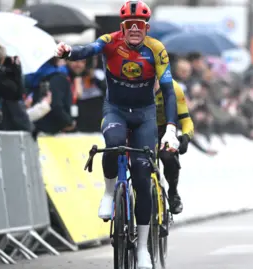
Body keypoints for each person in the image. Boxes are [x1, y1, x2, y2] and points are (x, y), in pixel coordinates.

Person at [54, 1, 179, 268]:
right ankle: (110, 193)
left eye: (140, 25)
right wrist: (68, 52)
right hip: (116, 110)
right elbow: (88, 50)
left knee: (144, 178)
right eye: (129, 25)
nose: (135, 30)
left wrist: (170, 129)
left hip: (145, 114)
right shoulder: (110, 41)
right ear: (122, 27)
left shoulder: (156, 49)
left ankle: (143, 248)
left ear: (147, 27)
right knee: (112, 145)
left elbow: (168, 92)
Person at [155, 79, 194, 214]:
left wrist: (186, 137)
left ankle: (173, 192)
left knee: (169, 157)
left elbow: (186, 119)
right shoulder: (137, 85)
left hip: (166, 131)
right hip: (143, 129)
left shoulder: (174, 87)